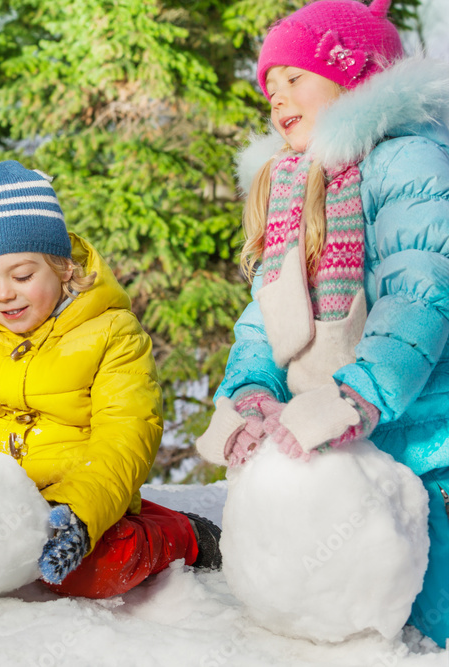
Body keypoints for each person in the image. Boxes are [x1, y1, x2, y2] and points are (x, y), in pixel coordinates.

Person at [196, 0, 449, 645]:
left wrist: (360, 391)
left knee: (430, 612)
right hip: (349, 434)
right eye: (270, 86)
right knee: (345, 608)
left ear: (353, 76)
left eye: (294, 77)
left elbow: (421, 288)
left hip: (428, 432)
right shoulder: (291, 186)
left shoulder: (408, 161)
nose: (277, 96)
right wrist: (250, 388)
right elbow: (267, 314)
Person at [0, 160, 222, 597]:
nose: (4, 294)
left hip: (69, 493)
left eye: (22, 276)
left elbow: (126, 433)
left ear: (64, 266)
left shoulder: (112, 332)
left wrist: (80, 512)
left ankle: (180, 533)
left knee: (99, 570)